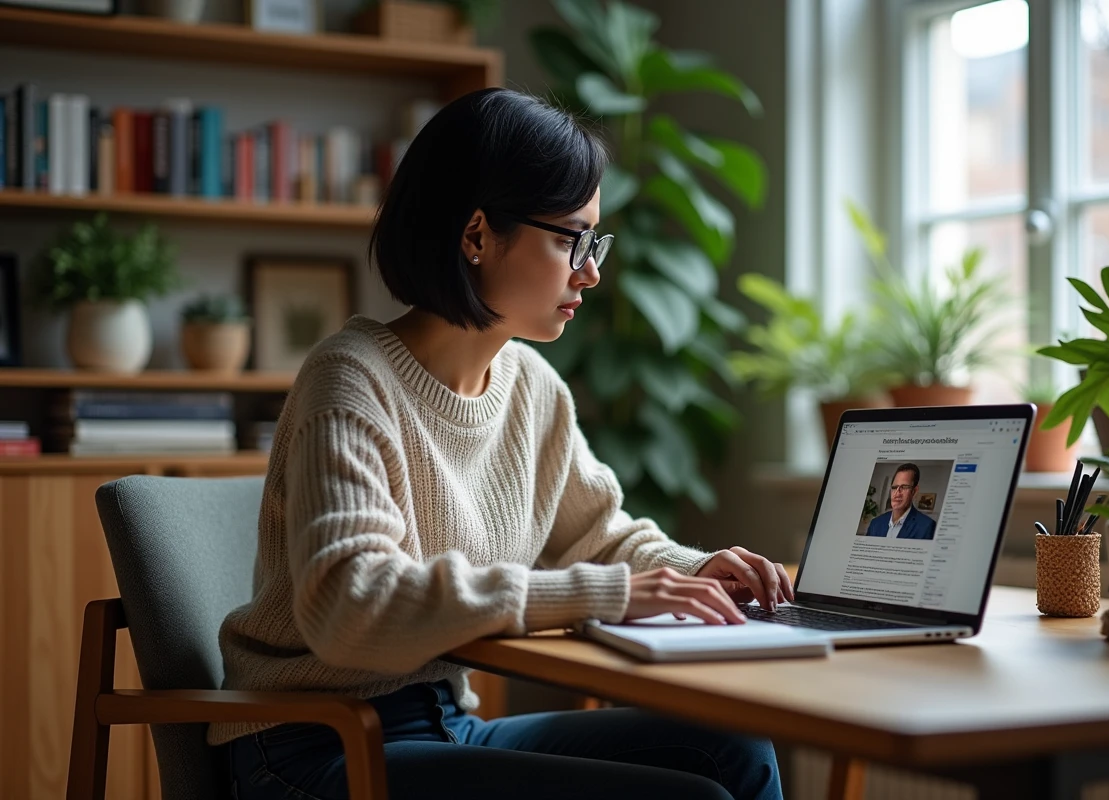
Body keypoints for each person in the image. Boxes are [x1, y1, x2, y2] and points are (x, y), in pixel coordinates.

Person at [210, 88, 789, 800]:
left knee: (731, 746)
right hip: (312, 747)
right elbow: (349, 608)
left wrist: (700, 573)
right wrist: (607, 595)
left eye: (595, 240)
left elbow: (600, 540)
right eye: (570, 239)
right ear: (477, 234)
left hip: (447, 723)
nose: (592, 270)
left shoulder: (533, 388)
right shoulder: (350, 379)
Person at [865, 463, 937, 540]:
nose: (897, 493)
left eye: (904, 487)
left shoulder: (927, 526)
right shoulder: (875, 523)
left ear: (914, 491)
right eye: (894, 487)